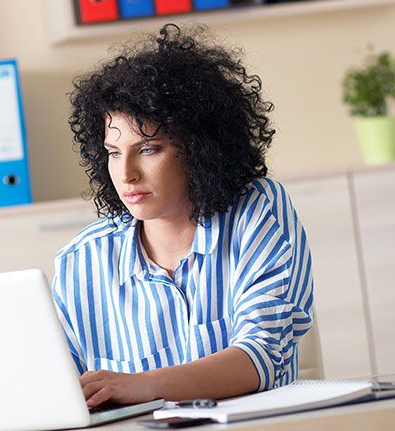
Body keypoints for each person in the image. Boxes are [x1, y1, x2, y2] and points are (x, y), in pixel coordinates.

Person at [52, 24, 313, 408]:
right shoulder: (80, 263)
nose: (126, 174)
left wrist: (141, 385)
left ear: (198, 148)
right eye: (112, 152)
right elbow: (62, 392)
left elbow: (260, 359)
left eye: (148, 149)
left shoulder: (256, 212)